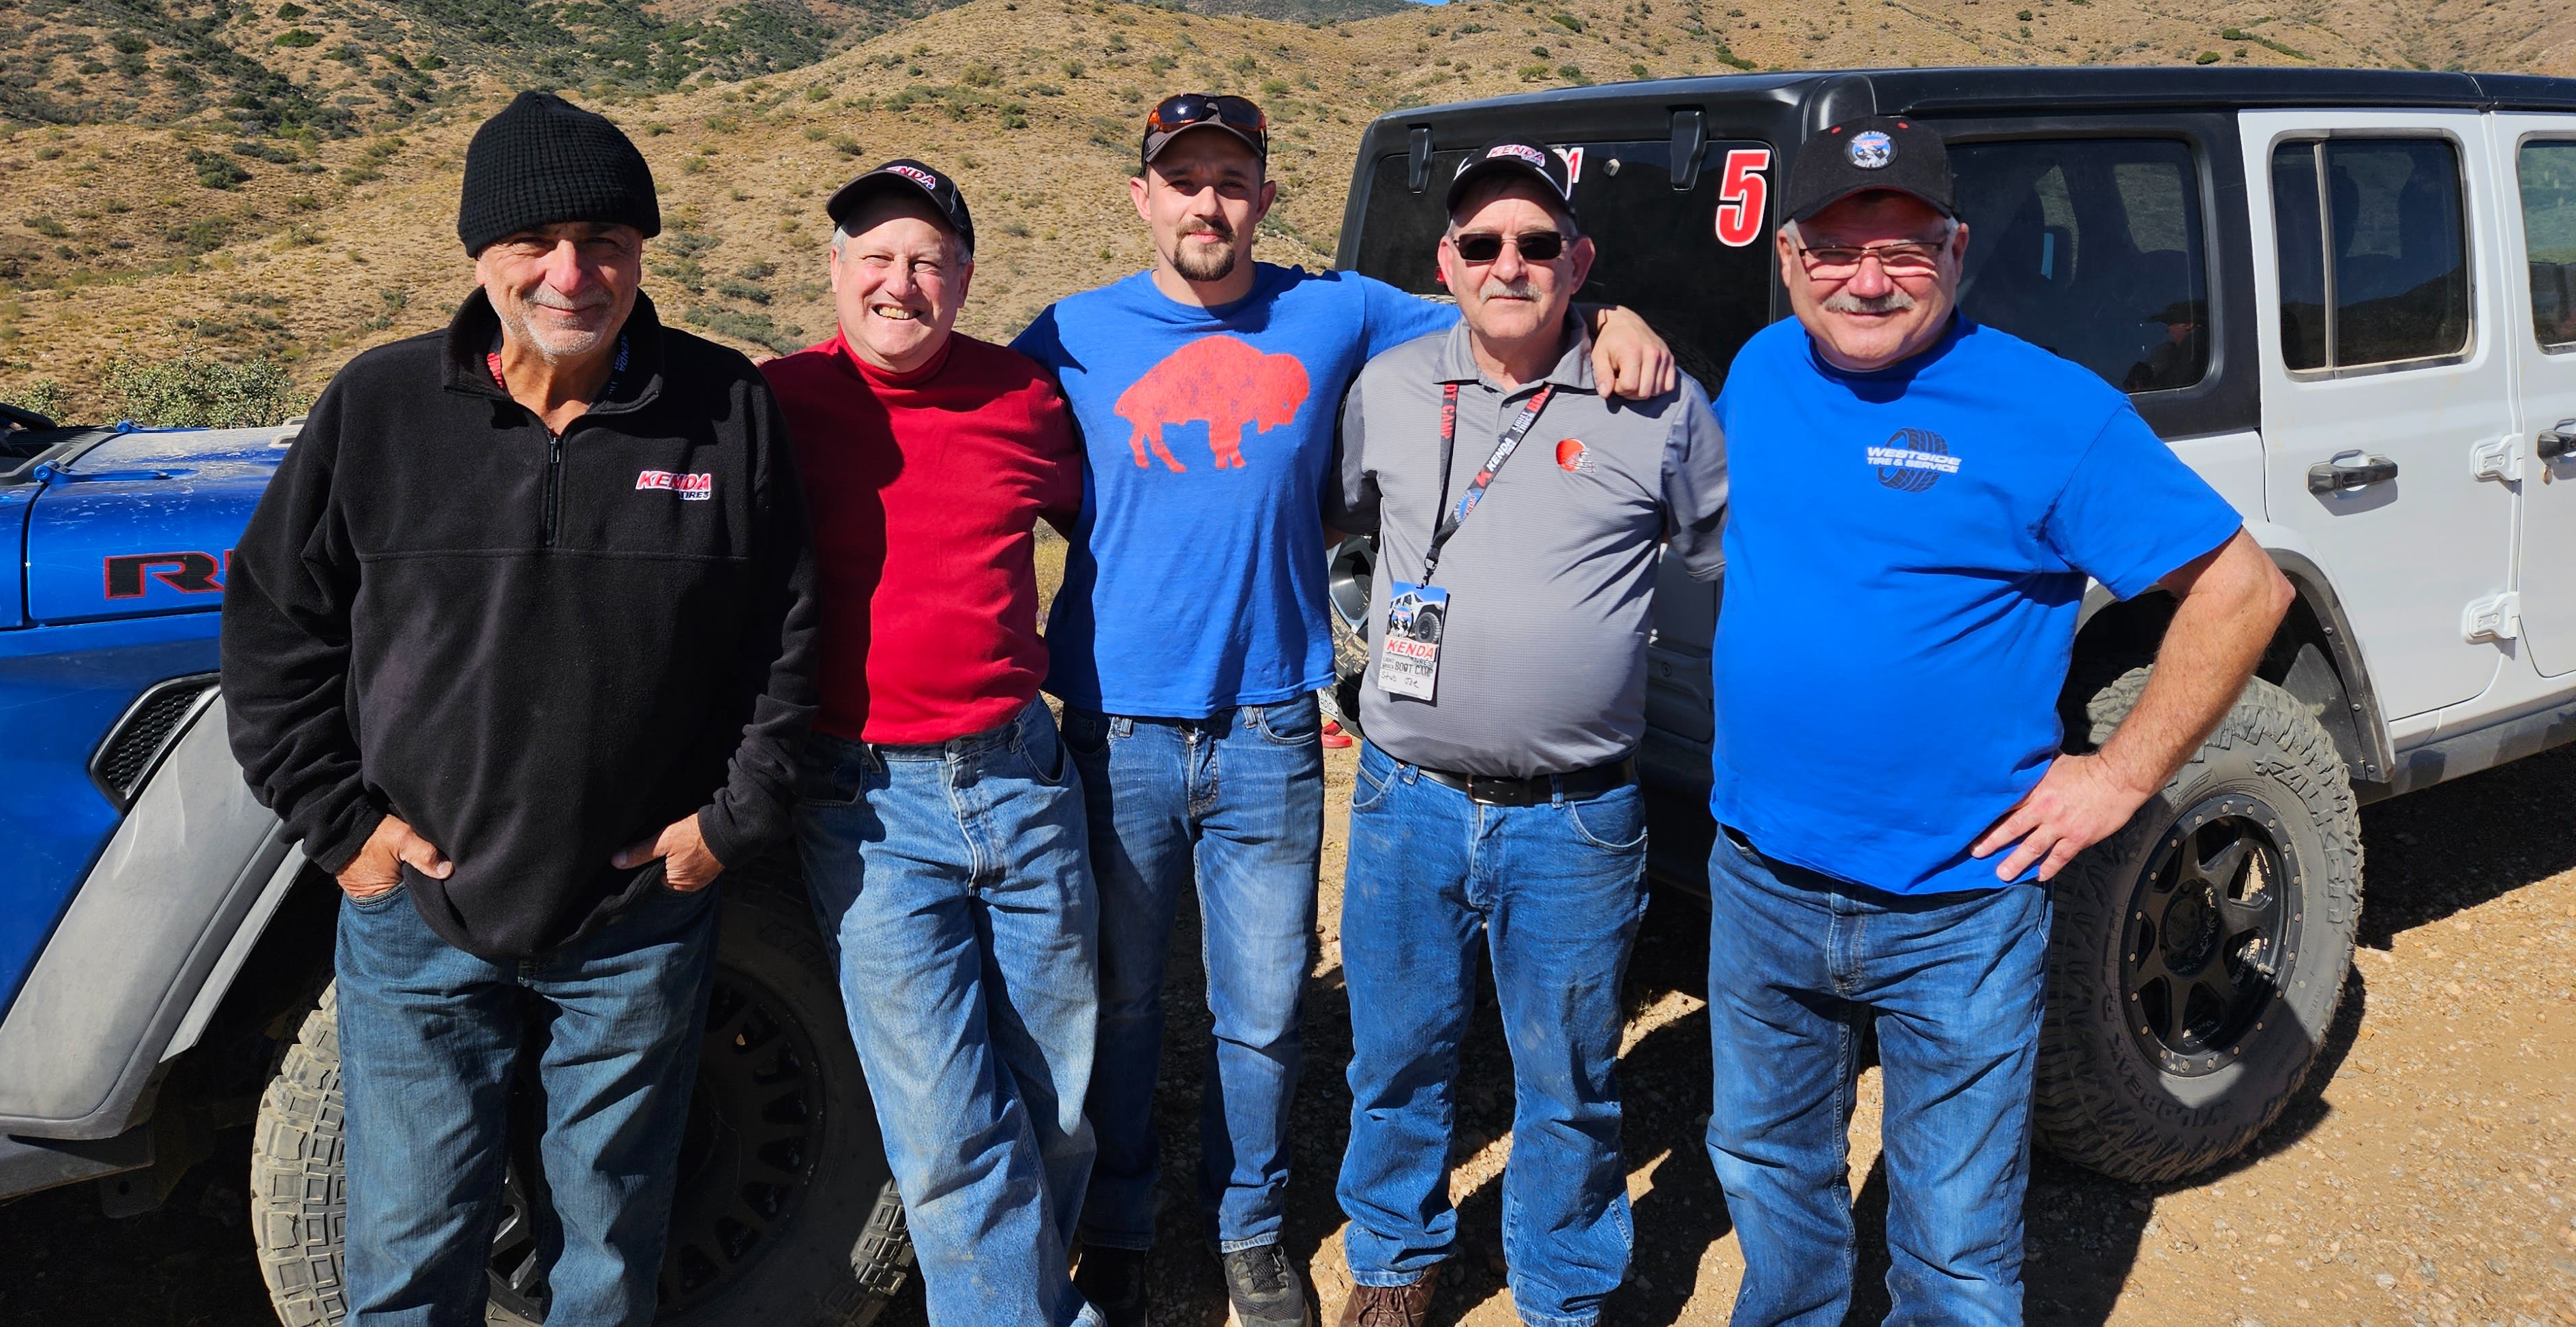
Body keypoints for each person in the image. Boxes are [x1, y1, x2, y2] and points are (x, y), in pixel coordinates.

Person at [1011, 96, 1672, 1327]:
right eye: (1183, 178)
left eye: (1231, 178)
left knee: (1259, 1010)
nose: (1207, 201)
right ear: (1142, 198)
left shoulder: (1335, 310)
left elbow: (1506, 306)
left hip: (1269, 724)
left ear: (1265, 197)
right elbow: (1004, 454)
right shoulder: (1068, 334)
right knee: (1121, 999)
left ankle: (1252, 1226)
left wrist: (1610, 310)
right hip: (1116, 725)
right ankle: (1120, 1222)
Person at [220, 89, 818, 1326]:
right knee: (408, 1241)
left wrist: (730, 823)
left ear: (642, 252)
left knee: (607, 1246)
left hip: (638, 917)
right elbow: (275, 629)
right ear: (480, 253)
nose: (572, 270)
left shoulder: (727, 408)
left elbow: (791, 636)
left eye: (605, 239)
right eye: (535, 241)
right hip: (420, 917)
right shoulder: (378, 408)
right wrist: (347, 832)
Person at [1705, 117, 2293, 1325]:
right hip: (1759, 875)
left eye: (1906, 248)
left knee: (1958, 1249)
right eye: (1836, 248)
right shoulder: (1761, 371)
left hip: (1958, 904)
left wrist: (2121, 777)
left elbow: (2245, 590)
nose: (1868, 278)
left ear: (1959, 249)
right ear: (1789, 255)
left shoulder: (2050, 411)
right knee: (1772, 1179)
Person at [1321, 142, 1726, 1327]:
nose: (1511, 262)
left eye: (1539, 244)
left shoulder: (1652, 397)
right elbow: (1342, 522)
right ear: (1446, 261)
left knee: (1570, 1077)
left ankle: (1562, 1288)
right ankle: (1395, 1265)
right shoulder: (1389, 387)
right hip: (1408, 797)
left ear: (1578, 261)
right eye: (1484, 243)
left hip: (1577, 816)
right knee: (1394, 1055)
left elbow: (1720, 555)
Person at [758, 159, 1100, 1326]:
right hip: (865, 804)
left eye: (927, 260)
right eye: (877, 256)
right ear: (836, 269)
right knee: (951, 1133)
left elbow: (1125, 525)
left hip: (1021, 776)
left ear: (962, 279)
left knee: (1055, 1105)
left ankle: (1027, 1297)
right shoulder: (778, 404)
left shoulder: (1027, 400)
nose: (900, 283)